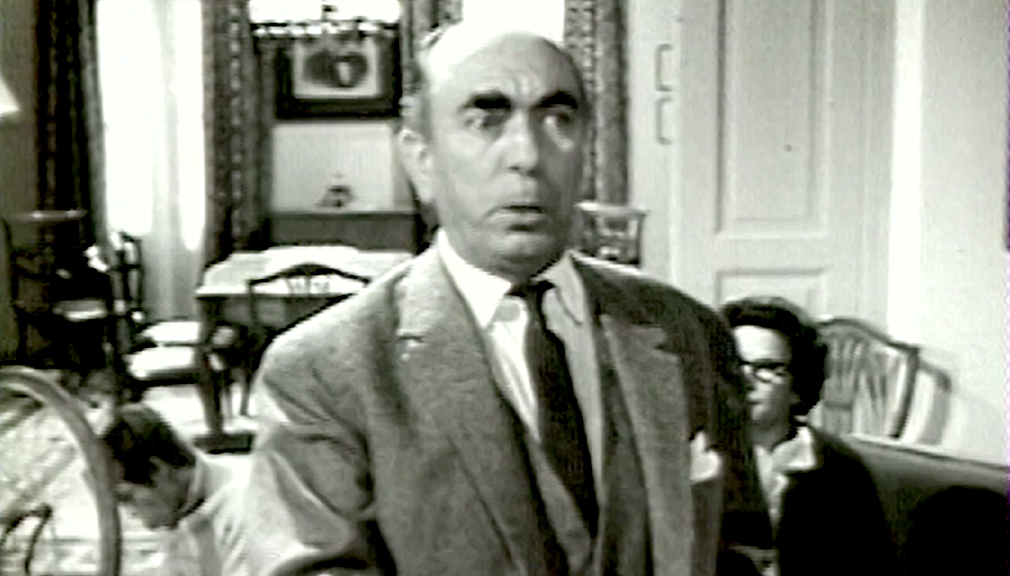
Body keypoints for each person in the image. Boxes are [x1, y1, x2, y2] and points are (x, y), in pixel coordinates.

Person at [242, 22, 759, 576]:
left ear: (586, 148)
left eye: (558, 119)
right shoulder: (323, 370)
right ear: (421, 160)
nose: (528, 155)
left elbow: (742, 549)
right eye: (486, 120)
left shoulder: (686, 331)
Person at [720, 297, 894, 576]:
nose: (745, 380)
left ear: (798, 386)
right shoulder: (691, 456)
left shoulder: (839, 469)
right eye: (734, 365)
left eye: (766, 368)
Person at [100, 404, 250, 576]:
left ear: (159, 470)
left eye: (127, 498)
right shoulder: (178, 501)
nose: (130, 514)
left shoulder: (244, 508)